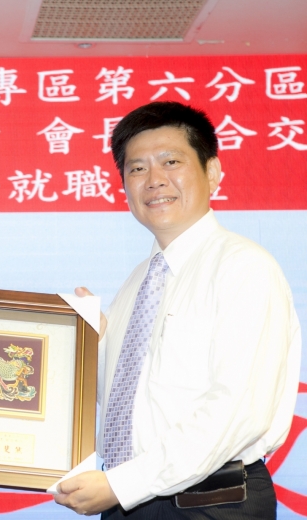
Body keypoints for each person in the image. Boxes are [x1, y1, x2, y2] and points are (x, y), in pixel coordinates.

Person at [55, 101, 301, 518]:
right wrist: (92, 347)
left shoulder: (243, 267)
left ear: (212, 172)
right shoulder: (137, 283)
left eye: (171, 162)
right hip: (130, 500)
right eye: (137, 168)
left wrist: (123, 484)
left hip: (211, 502)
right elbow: (131, 401)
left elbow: (238, 409)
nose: (154, 180)